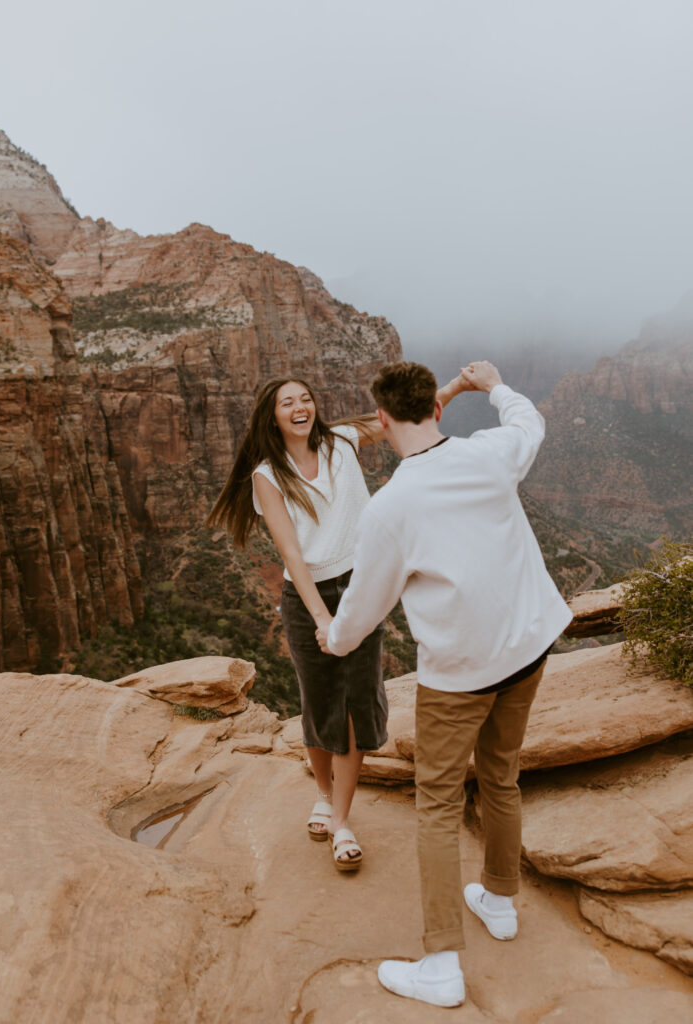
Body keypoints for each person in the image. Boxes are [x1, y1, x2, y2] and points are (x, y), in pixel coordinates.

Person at [316, 360, 572, 1005]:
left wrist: (332, 639)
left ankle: (441, 965)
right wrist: (494, 386)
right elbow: (528, 421)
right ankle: (501, 899)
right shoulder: (490, 454)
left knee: (435, 805)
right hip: (528, 646)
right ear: (437, 408)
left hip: (460, 675)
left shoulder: (391, 509)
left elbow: (363, 610)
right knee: (501, 774)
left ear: (381, 419)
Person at [207, 373, 468, 871]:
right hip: (306, 598)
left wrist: (455, 388)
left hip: (361, 585)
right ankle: (323, 794)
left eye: (306, 398)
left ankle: (342, 821)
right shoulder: (267, 474)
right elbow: (291, 554)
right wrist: (323, 617)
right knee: (319, 700)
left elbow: (401, 417)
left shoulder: (341, 441)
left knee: (353, 705)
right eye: (288, 402)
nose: (300, 407)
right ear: (273, 415)